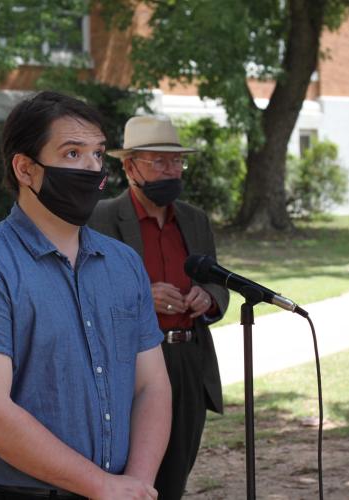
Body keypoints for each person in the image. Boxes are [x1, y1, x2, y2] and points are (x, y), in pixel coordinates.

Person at [0, 92, 172, 500]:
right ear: (26, 168)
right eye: (73, 153)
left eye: (97, 154)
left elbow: (152, 386)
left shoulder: (124, 264)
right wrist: (101, 486)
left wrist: (136, 485)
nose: (92, 167)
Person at [88, 115, 229, 500]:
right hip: (130, 362)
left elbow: (215, 278)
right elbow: (84, 289)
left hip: (187, 358)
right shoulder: (100, 218)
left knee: (174, 478)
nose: (171, 170)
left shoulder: (195, 219)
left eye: (177, 162)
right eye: (159, 162)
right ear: (129, 166)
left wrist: (209, 296)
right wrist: (142, 296)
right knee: (131, 474)